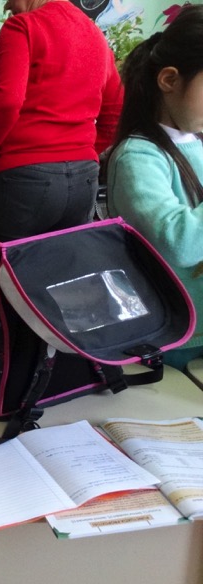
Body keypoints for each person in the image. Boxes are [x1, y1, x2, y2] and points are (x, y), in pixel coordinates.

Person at [0, 0, 123, 255]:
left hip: (17, 180)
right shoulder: (95, 34)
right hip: (82, 182)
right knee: (62, 276)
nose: (7, 6)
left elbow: (6, 102)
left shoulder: (22, 26)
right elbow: (115, 112)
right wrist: (78, 151)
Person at [107, 4, 203, 371]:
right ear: (169, 80)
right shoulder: (138, 156)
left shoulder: (196, 140)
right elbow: (177, 241)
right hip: (178, 338)